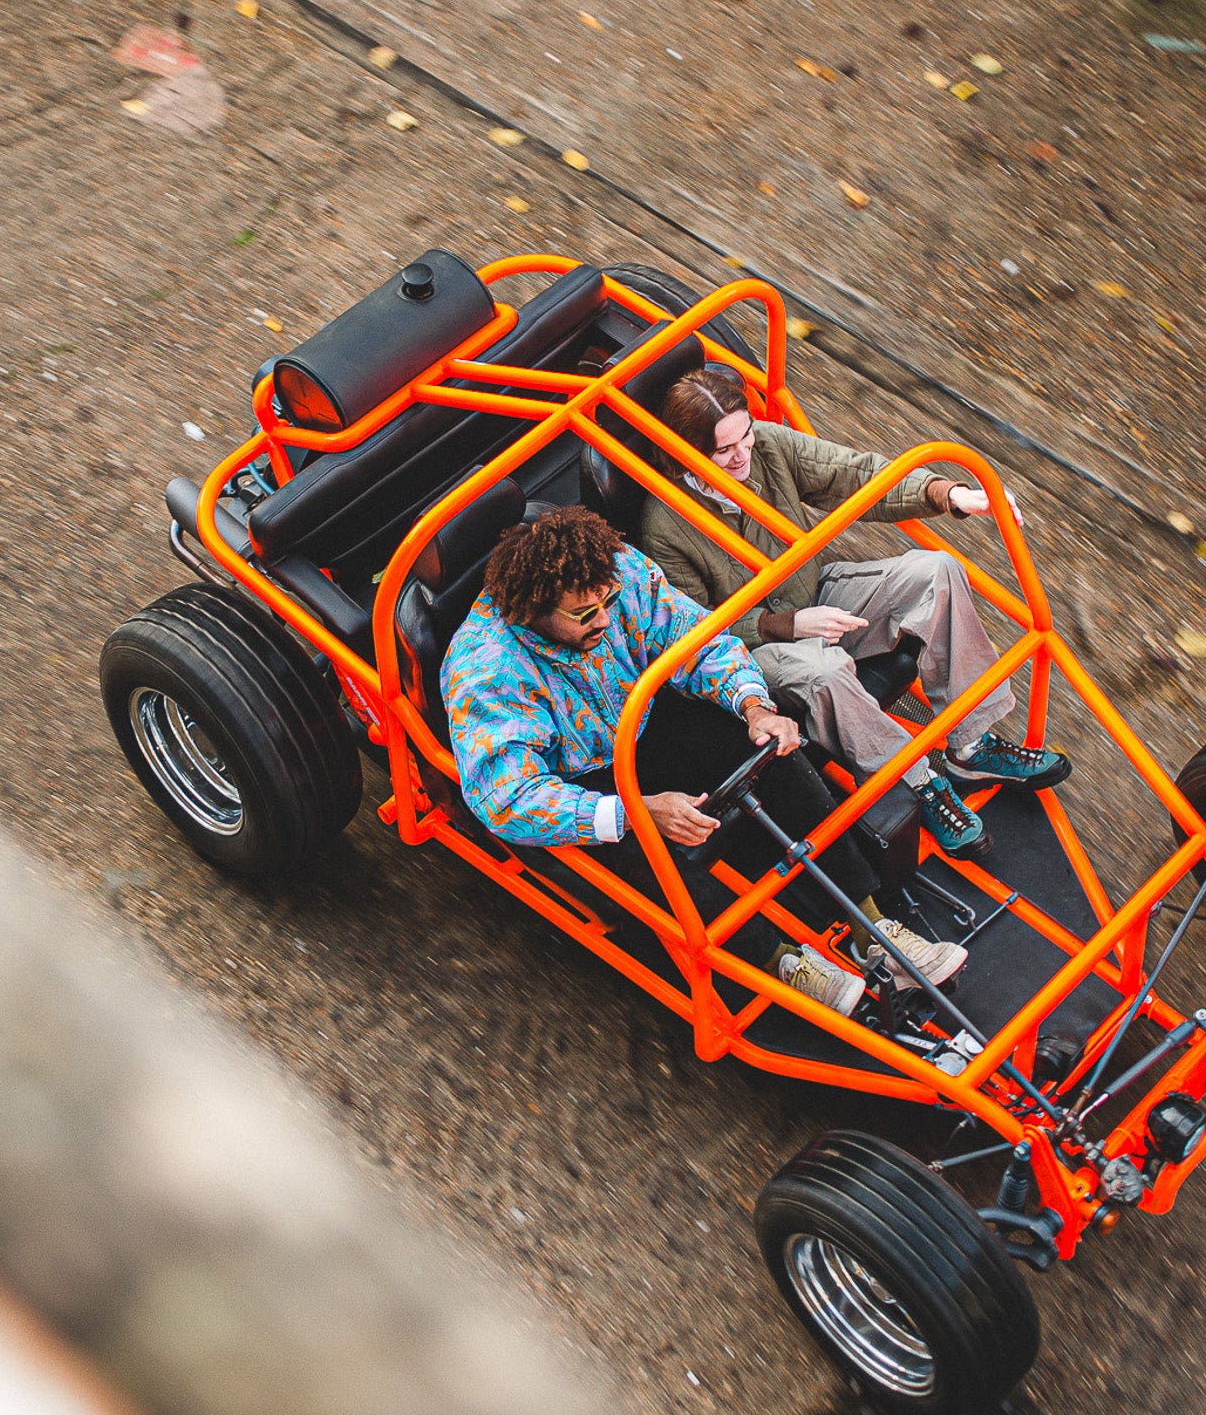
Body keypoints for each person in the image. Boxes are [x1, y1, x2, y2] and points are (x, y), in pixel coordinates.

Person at [440, 505, 967, 1013]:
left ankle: (869, 925)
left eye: (609, 602)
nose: (605, 617)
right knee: (640, 847)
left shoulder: (616, 570)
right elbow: (507, 798)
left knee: (769, 749)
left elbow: (700, 640)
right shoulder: (486, 671)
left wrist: (755, 706)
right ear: (534, 611)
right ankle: (780, 961)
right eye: (585, 614)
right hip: (581, 780)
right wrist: (637, 811)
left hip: (643, 722)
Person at [636, 365, 1069, 858]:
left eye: (747, 436)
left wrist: (948, 495)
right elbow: (692, 628)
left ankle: (971, 745)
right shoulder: (663, 525)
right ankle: (919, 782)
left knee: (937, 570)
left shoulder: (769, 448)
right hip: (754, 645)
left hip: (813, 591)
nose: (743, 455)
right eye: (725, 450)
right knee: (825, 668)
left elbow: (855, 473)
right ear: (689, 455)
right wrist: (788, 626)